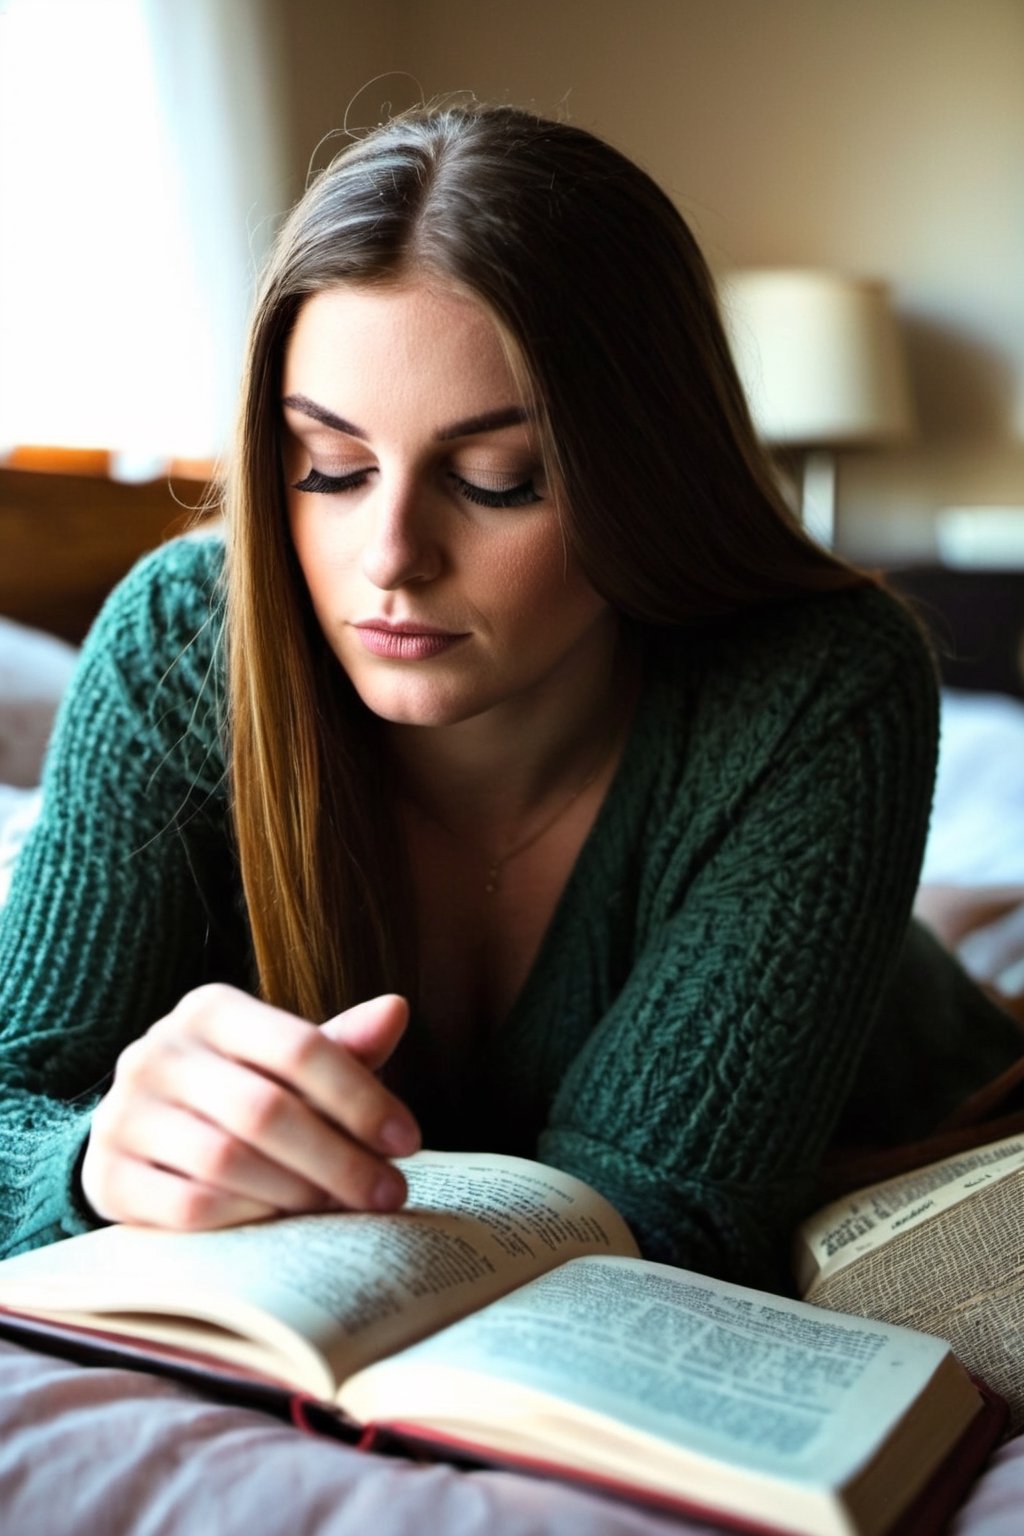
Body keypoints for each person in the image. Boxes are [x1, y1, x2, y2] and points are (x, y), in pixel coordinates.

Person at [0, 101, 1019, 1291]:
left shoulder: (821, 681)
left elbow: (665, 1216)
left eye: (499, 480)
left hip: (931, 1095)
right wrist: (90, 1168)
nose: (390, 555)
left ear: (646, 477)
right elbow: (16, 1099)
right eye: (328, 467)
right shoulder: (183, 644)